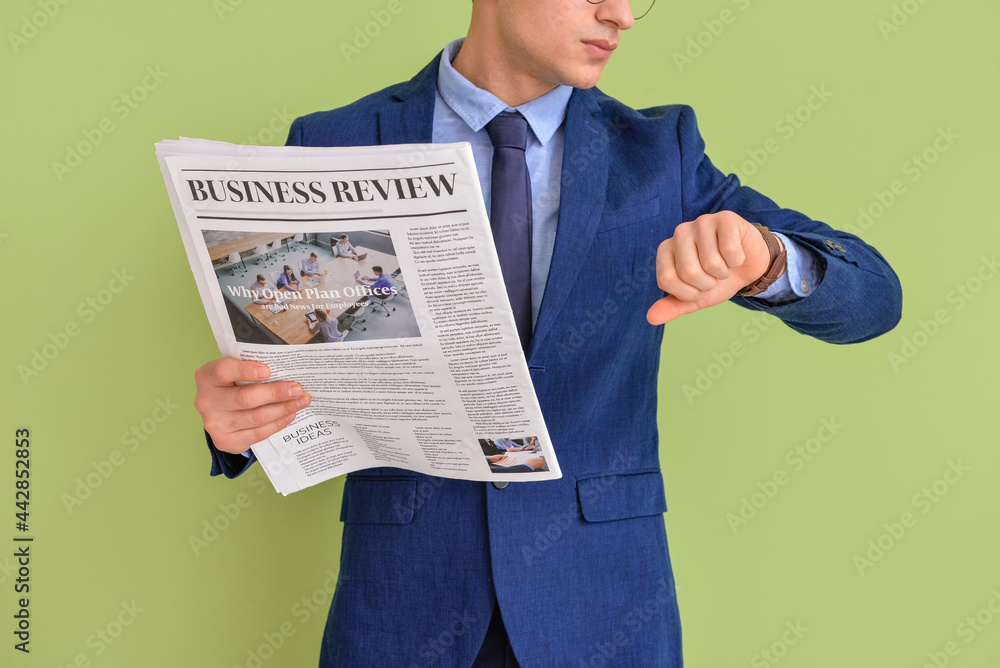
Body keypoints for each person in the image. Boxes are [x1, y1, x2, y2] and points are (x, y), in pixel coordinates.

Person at [192, 1, 902, 665]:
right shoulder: (332, 140)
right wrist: (240, 422)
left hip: (600, 604)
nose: (619, 15)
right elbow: (302, 358)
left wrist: (766, 259)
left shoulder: (661, 153)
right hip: (402, 606)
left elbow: (874, 296)